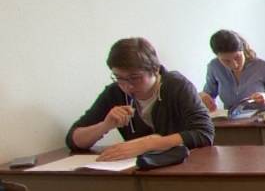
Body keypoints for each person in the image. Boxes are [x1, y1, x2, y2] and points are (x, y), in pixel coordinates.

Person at [68, 37, 214, 160]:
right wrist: (105, 126)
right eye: (119, 78)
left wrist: (149, 143)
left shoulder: (176, 85)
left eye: (135, 78)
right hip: (140, 170)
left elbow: (204, 134)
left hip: (185, 165)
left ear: (155, 70)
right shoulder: (114, 92)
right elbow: (74, 140)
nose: (127, 86)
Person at [199, 29, 265, 112]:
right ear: (218, 57)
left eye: (237, 57)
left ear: (243, 50)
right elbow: (207, 95)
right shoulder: (214, 66)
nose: (234, 65)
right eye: (226, 61)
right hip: (231, 123)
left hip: (262, 123)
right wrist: (202, 97)